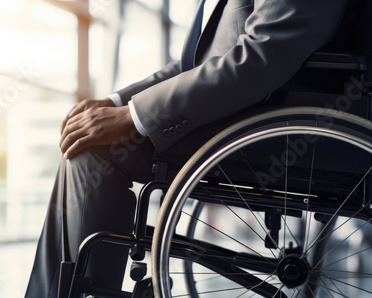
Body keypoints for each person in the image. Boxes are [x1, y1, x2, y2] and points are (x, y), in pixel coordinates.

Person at [25, 0, 355, 296]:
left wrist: (132, 117)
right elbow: (192, 65)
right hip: (258, 115)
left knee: (96, 150)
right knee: (88, 137)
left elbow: (260, 57)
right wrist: (117, 103)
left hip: (286, 129)